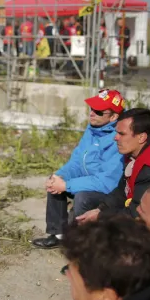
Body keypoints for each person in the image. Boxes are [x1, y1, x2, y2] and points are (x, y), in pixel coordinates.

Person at [32, 89, 125, 249]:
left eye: (98, 111)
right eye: (91, 109)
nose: (92, 113)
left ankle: (84, 247)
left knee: (82, 197)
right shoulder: (92, 130)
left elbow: (107, 182)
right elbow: (76, 162)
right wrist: (59, 176)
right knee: (55, 182)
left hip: (108, 191)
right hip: (90, 181)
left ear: (113, 117)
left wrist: (67, 186)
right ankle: (58, 234)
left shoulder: (119, 138)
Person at [77, 108, 150, 223]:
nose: (115, 137)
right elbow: (122, 188)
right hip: (141, 205)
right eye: (116, 132)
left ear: (141, 137)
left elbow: (136, 213)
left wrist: (100, 217)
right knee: (85, 200)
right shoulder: (142, 146)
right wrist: (100, 210)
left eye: (121, 134)